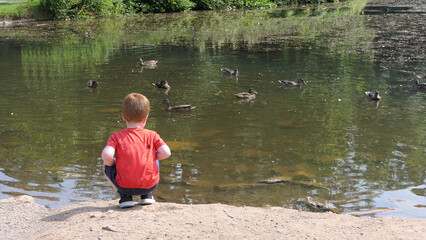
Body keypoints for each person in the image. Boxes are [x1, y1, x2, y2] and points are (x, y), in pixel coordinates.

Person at [101, 93, 171, 208]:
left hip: (124, 185)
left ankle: (125, 197)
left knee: (106, 165)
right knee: (154, 158)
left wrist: (113, 162)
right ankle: (147, 195)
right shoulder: (152, 135)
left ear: (123, 116)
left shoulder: (116, 136)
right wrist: (152, 156)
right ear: (146, 118)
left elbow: (106, 155)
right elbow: (166, 152)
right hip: (150, 185)